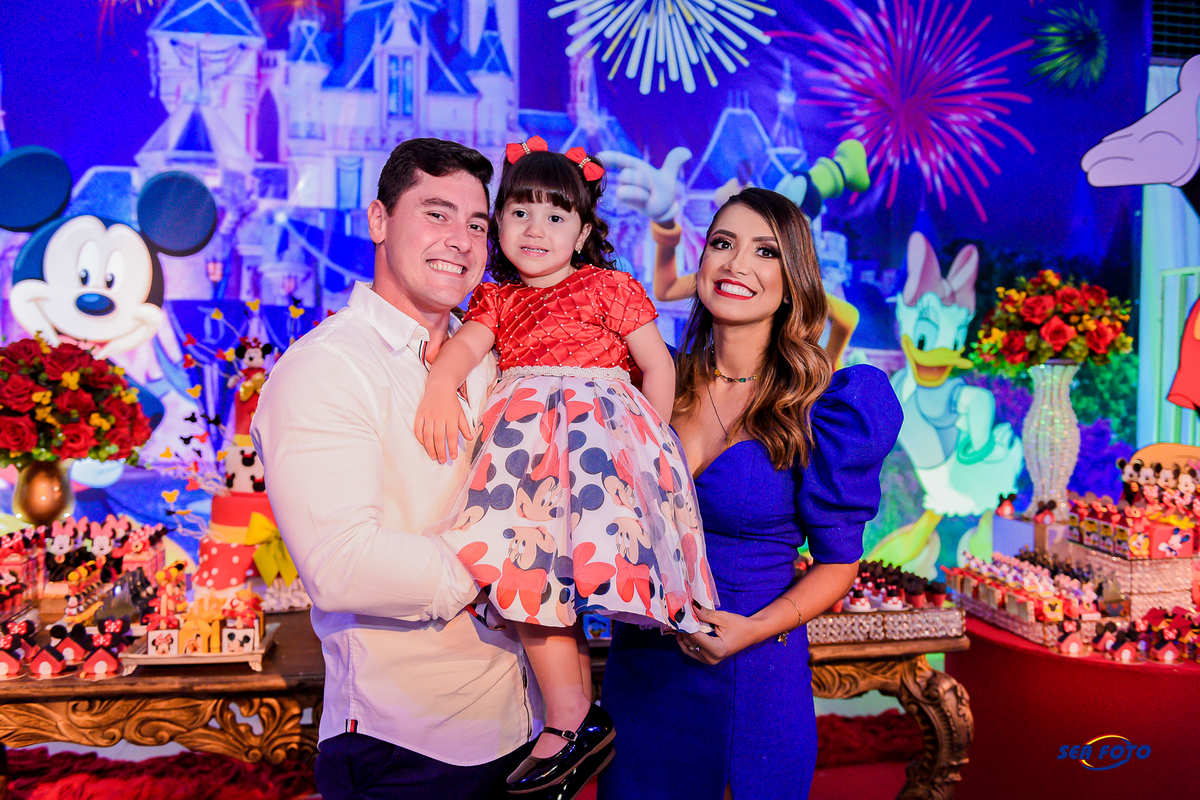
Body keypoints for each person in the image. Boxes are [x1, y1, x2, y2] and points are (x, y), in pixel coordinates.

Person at [414, 137, 717, 795]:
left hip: (598, 458)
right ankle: (576, 718)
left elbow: (657, 366)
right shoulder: (497, 299)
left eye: (555, 216)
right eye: (520, 212)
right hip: (525, 461)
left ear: (582, 233)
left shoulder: (610, 287)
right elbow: (463, 351)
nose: (535, 228)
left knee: (546, 581)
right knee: (531, 576)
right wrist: (440, 384)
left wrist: (652, 447)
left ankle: (570, 720)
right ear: (498, 223)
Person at [251, 138, 540, 799]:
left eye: (476, 224)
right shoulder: (327, 368)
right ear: (378, 220)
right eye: (436, 214)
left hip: (523, 724)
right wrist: (510, 567)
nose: (461, 241)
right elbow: (344, 564)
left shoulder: (494, 362)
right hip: (405, 747)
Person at [598, 188, 902, 800]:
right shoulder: (652, 379)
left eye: (765, 251)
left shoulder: (824, 407)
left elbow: (839, 566)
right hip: (640, 673)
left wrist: (751, 630)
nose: (737, 264)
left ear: (793, 282)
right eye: (722, 243)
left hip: (753, 672)